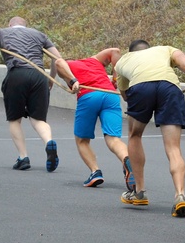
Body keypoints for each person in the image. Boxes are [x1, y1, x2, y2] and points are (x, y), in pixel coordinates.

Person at [0, 16, 76, 171]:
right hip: (39, 75)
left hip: (17, 73)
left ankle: (23, 157)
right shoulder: (40, 35)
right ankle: (49, 141)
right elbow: (57, 59)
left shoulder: (1, 32)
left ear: (10, 25)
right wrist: (51, 78)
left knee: (14, 119)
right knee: (38, 119)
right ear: (26, 25)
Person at [113, 40, 185, 217]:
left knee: (135, 135)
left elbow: (125, 95)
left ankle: (139, 191)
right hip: (169, 87)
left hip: (140, 87)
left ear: (131, 51)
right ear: (149, 49)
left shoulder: (123, 61)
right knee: (173, 148)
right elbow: (180, 57)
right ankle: (180, 194)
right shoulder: (164, 49)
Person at [50, 48, 135, 190]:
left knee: (82, 140)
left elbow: (58, 61)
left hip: (89, 96)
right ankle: (127, 161)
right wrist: (115, 78)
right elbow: (115, 51)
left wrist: (72, 80)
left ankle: (95, 172)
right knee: (113, 139)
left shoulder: (68, 65)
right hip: (110, 96)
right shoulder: (94, 60)